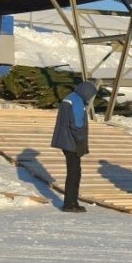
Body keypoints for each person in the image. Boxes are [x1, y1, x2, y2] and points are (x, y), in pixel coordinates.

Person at [50, 81, 98, 213]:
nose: (90, 98)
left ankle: (72, 202)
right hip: (72, 142)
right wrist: (81, 143)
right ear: (87, 92)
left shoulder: (70, 98)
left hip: (66, 141)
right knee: (74, 174)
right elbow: (77, 125)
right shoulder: (77, 102)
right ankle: (70, 204)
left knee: (73, 172)